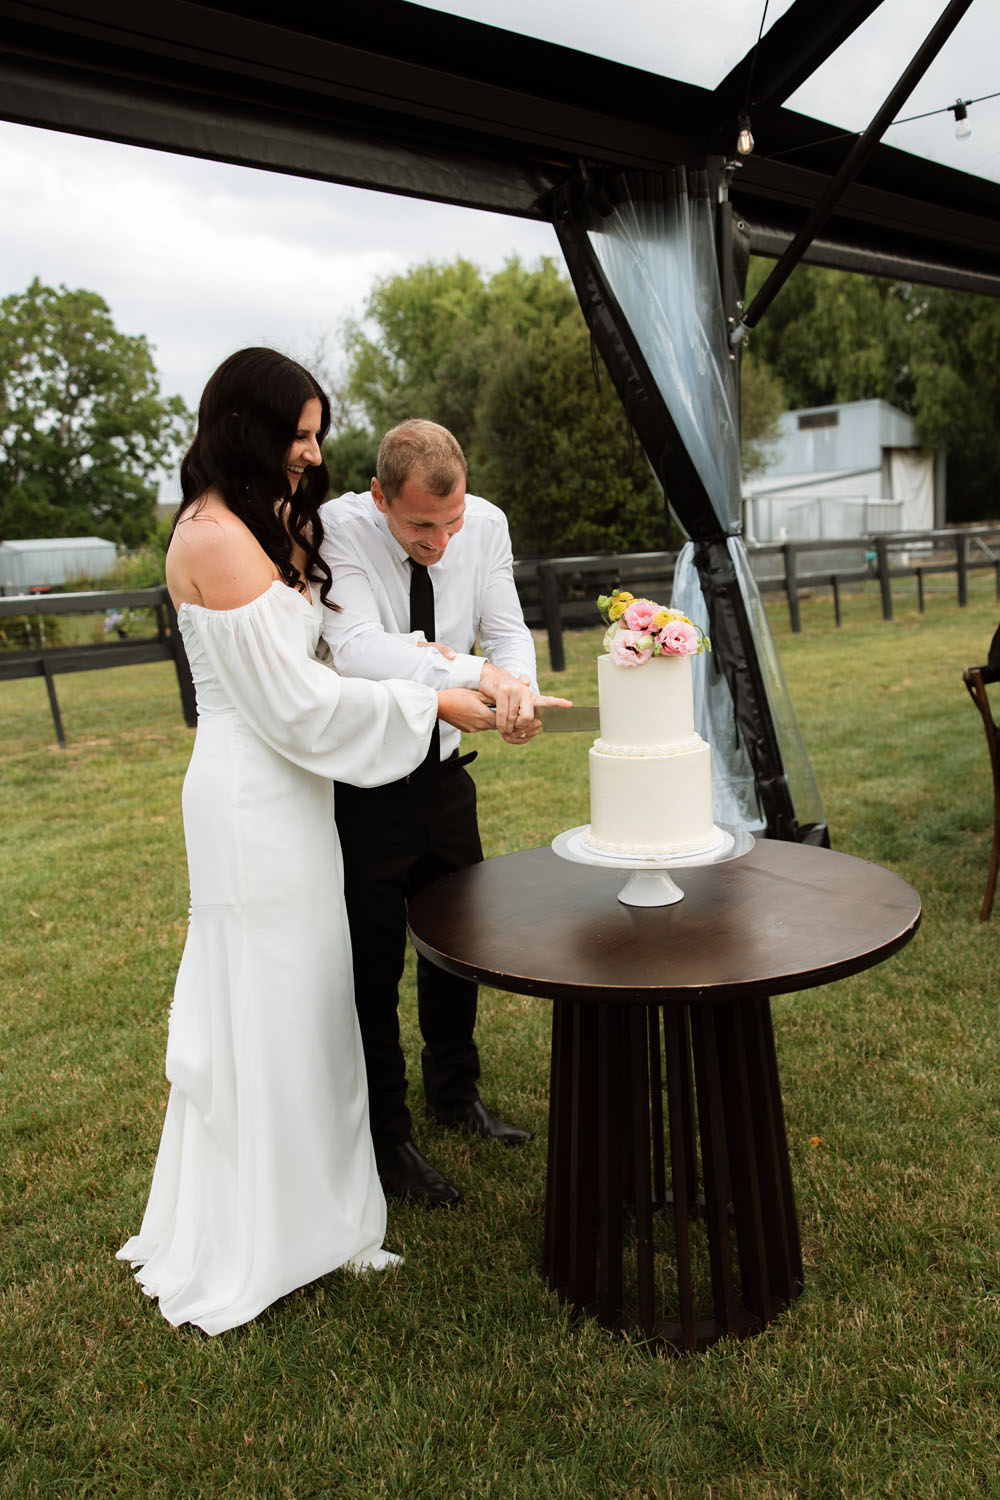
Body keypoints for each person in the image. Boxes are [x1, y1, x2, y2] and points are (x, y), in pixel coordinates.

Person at [116, 352, 493, 1334]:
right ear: (247, 429)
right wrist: (433, 703)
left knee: (313, 1000)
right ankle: (265, 1235)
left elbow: (333, 649)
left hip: (293, 794)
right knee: (270, 1006)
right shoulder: (213, 536)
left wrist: (442, 669)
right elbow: (295, 702)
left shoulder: (257, 521)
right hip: (252, 794)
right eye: (299, 436)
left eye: (318, 435)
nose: (312, 454)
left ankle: (323, 1216)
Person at [319, 419, 570, 1208]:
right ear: (380, 498)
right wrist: (476, 676)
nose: (441, 539)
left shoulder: (483, 524)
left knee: (455, 945)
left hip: (442, 777)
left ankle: (455, 1096)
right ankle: (388, 1139)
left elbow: (507, 632)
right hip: (362, 788)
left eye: (451, 520)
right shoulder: (337, 530)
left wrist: (516, 691)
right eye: (422, 524)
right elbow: (359, 647)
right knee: (372, 970)